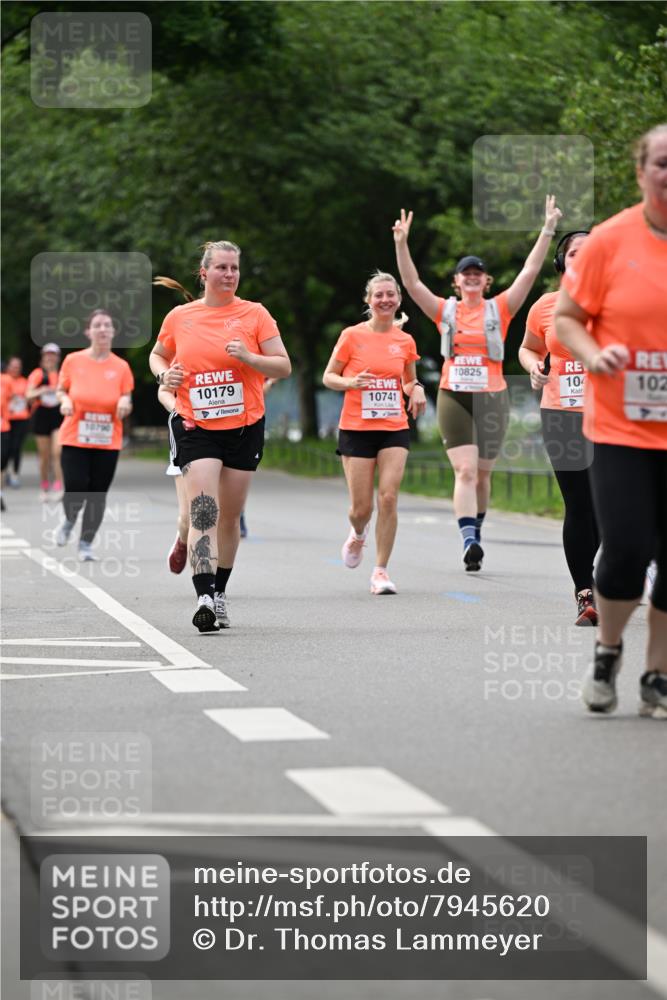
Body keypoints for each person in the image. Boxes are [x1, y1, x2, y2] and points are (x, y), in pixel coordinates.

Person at [555, 123, 667, 718]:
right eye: (662, 163)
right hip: (622, 423)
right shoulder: (608, 242)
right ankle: (608, 650)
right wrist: (594, 354)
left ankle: (657, 674)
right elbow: (567, 318)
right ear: (641, 171)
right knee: (624, 548)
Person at [394, 195, 562, 571]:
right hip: (454, 396)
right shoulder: (445, 310)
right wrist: (401, 243)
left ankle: (477, 530)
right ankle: (468, 539)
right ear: (456, 282)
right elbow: (411, 283)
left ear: (485, 281)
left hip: (492, 397)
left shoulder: (499, 308)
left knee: (483, 475)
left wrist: (547, 229)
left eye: (477, 273)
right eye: (465, 274)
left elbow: (529, 271)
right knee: (466, 471)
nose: (471, 278)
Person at [150, 240, 291, 632]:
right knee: (204, 511)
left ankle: (220, 591)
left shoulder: (255, 314)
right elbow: (157, 355)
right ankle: (204, 598)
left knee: (229, 517)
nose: (229, 274)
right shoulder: (180, 317)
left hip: (244, 426)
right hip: (197, 426)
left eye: (234, 268)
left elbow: (283, 366)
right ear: (204, 273)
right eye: (222, 268)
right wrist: (164, 375)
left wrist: (249, 357)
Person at [323, 271, 426, 595]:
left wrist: (417, 388)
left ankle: (380, 570)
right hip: (357, 428)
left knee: (389, 497)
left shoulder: (405, 341)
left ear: (398, 299)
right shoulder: (351, 336)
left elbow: (408, 380)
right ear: (368, 300)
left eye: (390, 294)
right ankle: (358, 534)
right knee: (361, 509)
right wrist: (350, 383)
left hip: (393, 426)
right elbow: (329, 376)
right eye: (378, 295)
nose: (385, 300)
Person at [519, 231, 600, 626]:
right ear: (561, 262)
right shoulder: (545, 306)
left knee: (607, 504)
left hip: (610, 416)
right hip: (561, 415)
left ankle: (604, 570)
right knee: (579, 504)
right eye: (573, 253)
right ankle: (584, 592)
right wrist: (534, 366)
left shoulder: (617, 301)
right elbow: (528, 347)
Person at [55, 311, 134, 561]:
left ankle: (85, 543)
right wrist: (65, 401)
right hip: (75, 435)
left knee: (98, 493)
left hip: (107, 438)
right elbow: (61, 390)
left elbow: (126, 396)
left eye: (107, 325)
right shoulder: (73, 360)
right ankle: (69, 519)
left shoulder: (121, 367)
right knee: (76, 487)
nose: (102, 329)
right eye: (97, 325)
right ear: (88, 331)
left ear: (113, 332)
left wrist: (124, 402)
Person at [159, 382, 189, 574]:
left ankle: (210, 579)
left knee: (220, 517)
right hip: (189, 434)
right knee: (189, 517)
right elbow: (164, 391)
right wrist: (180, 410)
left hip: (229, 434)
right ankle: (183, 540)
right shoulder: (179, 363)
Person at [26, 343, 63, 500]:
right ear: (43, 357)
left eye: (53, 354)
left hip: (58, 414)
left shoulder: (62, 374)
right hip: (41, 414)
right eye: (47, 354)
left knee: (57, 452)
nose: (50, 357)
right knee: (44, 455)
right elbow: (28, 395)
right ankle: (45, 484)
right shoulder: (37, 374)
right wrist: (42, 390)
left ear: (58, 357)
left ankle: (59, 485)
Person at [5, 357, 30, 488]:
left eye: (18, 366)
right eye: (13, 366)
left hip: (21, 419)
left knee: (16, 448)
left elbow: (29, 398)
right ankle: (4, 472)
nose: (16, 369)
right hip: (6, 419)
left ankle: (15, 474)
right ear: (8, 367)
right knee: (6, 448)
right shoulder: (3, 380)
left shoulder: (24, 382)